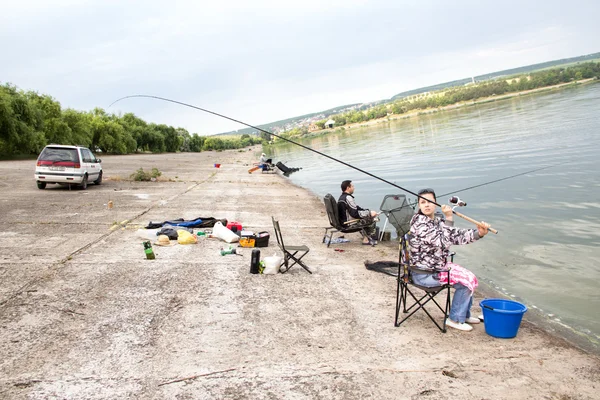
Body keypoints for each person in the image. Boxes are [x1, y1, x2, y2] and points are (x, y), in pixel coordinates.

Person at [409, 188, 489, 332]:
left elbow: (455, 235)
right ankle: (455, 319)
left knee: (469, 276)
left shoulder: (436, 221)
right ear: (419, 206)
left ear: (436, 203)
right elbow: (443, 242)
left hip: (438, 267)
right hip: (424, 273)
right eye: (422, 202)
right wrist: (449, 218)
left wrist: (479, 233)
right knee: (464, 282)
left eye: (430, 201)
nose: (426, 205)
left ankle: (464, 314)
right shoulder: (419, 224)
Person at [338, 180, 378, 245]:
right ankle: (366, 239)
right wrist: (369, 214)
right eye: (352, 186)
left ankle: (366, 237)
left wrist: (367, 211)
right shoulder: (348, 198)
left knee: (366, 216)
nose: (354, 188)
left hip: (343, 222)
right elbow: (355, 214)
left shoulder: (342, 197)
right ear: (348, 188)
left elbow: (356, 208)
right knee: (371, 219)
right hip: (347, 224)